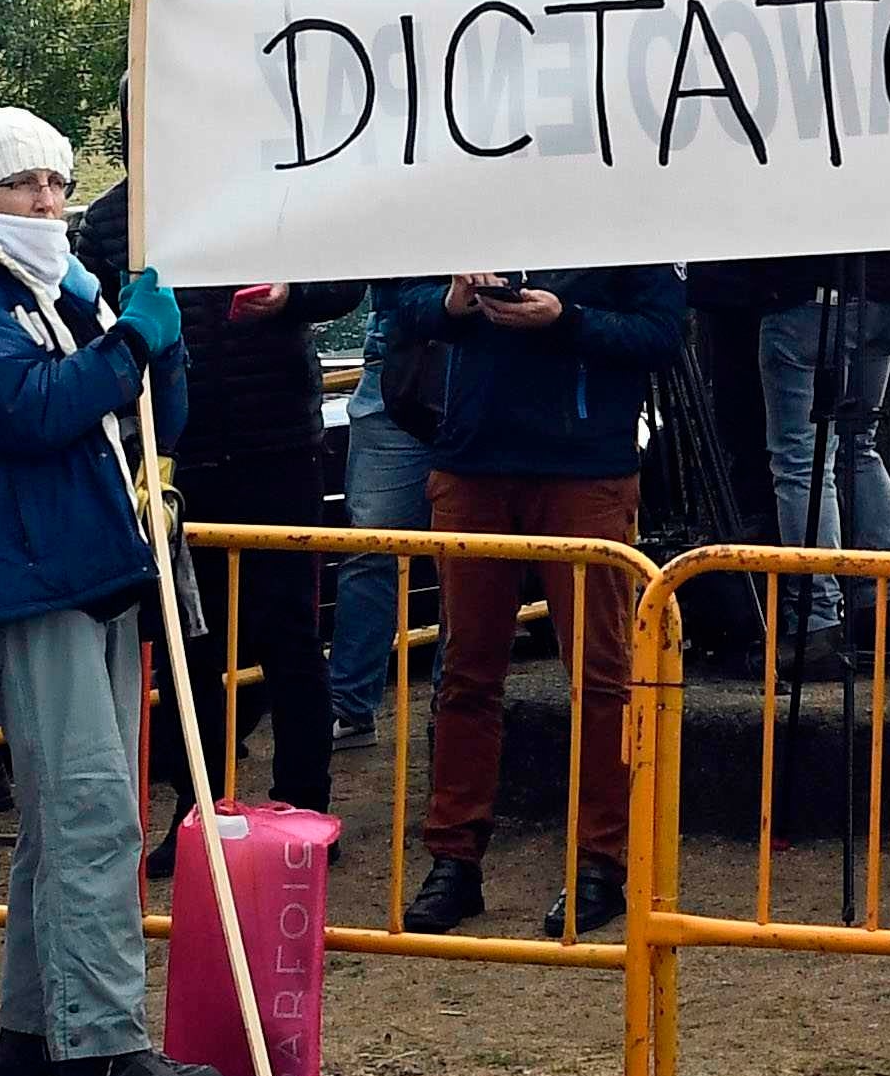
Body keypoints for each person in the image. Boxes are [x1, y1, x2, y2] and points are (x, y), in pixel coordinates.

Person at [0, 106, 224, 1076]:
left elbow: (155, 421)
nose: (49, 202)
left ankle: (36, 1025)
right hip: (31, 579)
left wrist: (160, 344)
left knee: (67, 815)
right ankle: (103, 1040)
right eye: (26, 184)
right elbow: (34, 410)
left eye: (55, 182)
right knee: (90, 810)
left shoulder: (62, 290)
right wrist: (127, 342)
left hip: (94, 569)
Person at [386, 263, 688, 940]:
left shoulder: (633, 224)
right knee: (466, 672)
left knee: (601, 674)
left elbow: (664, 333)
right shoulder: (453, 204)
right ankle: (454, 858)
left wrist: (567, 319)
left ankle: (601, 862)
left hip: (583, 466)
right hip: (475, 460)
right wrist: (452, 302)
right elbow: (401, 302)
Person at [77, 158, 361, 831]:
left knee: (290, 635)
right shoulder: (112, 218)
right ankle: (199, 811)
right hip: (179, 456)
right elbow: (86, 323)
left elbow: (346, 279)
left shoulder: (272, 188)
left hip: (278, 447)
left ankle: (304, 810)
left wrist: (291, 295)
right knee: (188, 645)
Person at [759, 254, 890, 665]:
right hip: (889, 294)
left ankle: (817, 619)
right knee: (858, 445)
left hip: (813, 297)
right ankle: (886, 596)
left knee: (801, 460)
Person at [326, 302, 433, 747]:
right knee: (371, 548)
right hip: (396, 354)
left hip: (478, 358)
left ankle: (458, 713)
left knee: (473, 557)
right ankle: (349, 705)